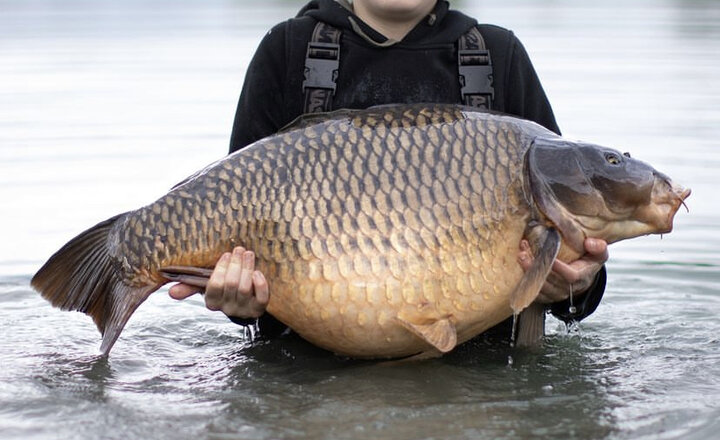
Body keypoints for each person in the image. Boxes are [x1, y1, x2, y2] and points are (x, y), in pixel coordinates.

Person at [169, 0, 609, 341]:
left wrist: (577, 285)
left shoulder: (499, 58)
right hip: (310, 390)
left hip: (479, 384)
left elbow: (575, 251)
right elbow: (235, 232)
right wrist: (237, 300)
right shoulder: (288, 53)